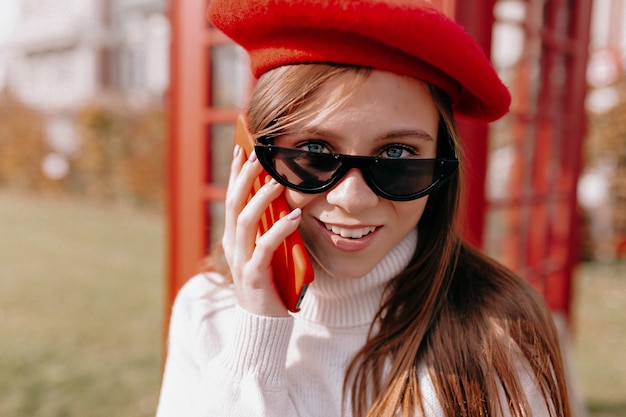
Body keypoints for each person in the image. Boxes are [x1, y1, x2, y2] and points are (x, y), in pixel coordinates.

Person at [156, 0, 573, 416]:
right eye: (314, 150)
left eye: (396, 155)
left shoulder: (499, 333)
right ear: (254, 159)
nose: (352, 199)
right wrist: (255, 339)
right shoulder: (206, 311)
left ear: (444, 162)